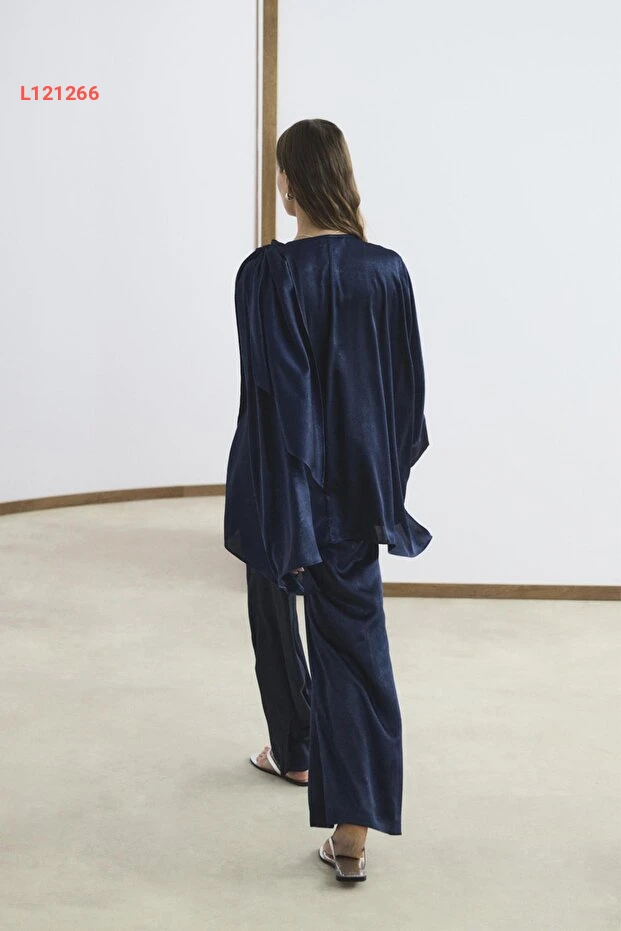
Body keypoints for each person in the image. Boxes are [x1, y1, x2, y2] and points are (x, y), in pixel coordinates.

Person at [224, 118, 431, 882]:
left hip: (277, 491)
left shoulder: (262, 274)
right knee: (357, 654)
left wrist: (276, 494)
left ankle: (295, 750)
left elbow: (264, 396)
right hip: (353, 496)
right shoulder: (385, 272)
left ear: (288, 185)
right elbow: (405, 399)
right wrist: (379, 487)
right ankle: (351, 833)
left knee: (272, 615)